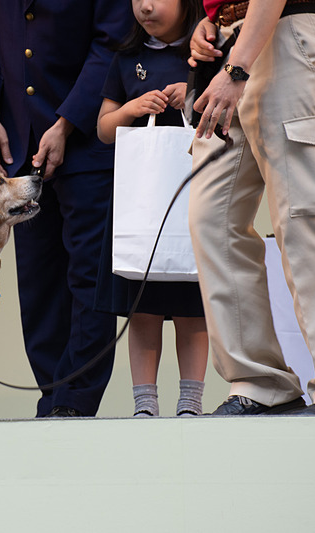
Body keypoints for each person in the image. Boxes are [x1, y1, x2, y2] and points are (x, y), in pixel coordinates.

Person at [187, 0, 315, 415]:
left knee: (302, 221)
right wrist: (211, 22)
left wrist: (237, 67)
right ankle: (261, 383)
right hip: (231, 43)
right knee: (211, 223)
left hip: (286, 35)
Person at [0, 0, 133, 417]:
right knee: (39, 282)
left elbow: (111, 40)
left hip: (88, 137)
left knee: (88, 276)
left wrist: (66, 122)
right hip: (18, 138)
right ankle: (51, 397)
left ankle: (75, 401)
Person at [95, 0, 209, 417]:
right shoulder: (127, 58)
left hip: (191, 198)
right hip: (140, 204)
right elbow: (104, 129)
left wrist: (193, 97)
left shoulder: (206, 53)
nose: (145, 5)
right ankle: (145, 405)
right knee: (141, 307)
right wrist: (130, 109)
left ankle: (191, 403)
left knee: (191, 308)